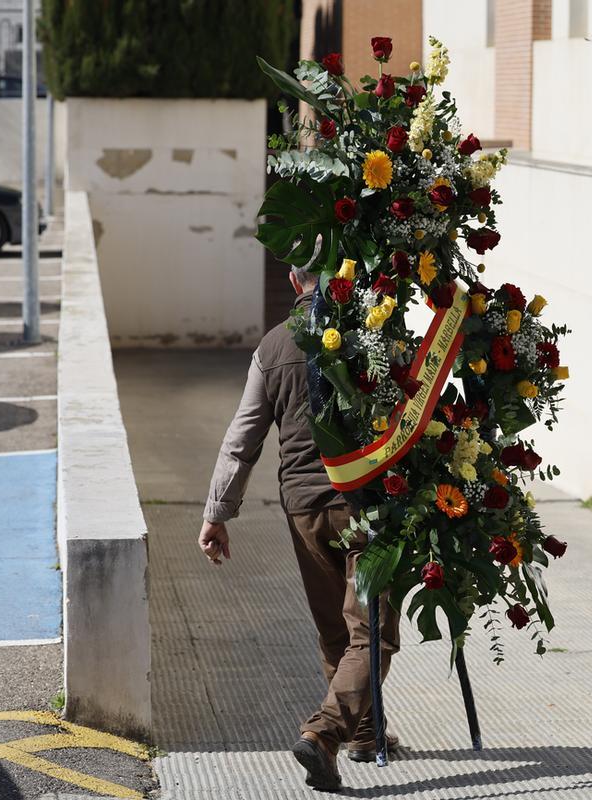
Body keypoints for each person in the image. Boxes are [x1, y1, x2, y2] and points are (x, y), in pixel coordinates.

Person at [198, 265, 400, 792]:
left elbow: (243, 437)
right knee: (372, 633)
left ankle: (365, 734)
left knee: (338, 628)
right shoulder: (372, 334)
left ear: (294, 281)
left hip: (304, 508)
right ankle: (326, 734)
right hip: (366, 509)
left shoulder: (272, 346)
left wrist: (217, 511)